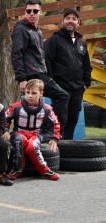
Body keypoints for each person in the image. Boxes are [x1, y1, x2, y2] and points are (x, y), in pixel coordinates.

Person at [11, 0, 69, 137]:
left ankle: (44, 129)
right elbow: (16, 54)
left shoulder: (37, 29)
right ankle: (52, 131)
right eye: (29, 11)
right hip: (31, 74)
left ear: (40, 12)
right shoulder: (21, 29)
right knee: (62, 96)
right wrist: (22, 78)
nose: (32, 14)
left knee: (40, 102)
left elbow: (39, 55)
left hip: (40, 72)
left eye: (35, 11)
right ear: (25, 12)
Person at [44, 8, 92, 140]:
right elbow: (46, 61)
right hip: (61, 88)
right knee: (59, 120)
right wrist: (53, 84)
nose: (70, 21)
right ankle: (55, 148)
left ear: (78, 23)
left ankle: (68, 147)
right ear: (63, 21)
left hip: (78, 88)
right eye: (67, 18)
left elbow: (87, 66)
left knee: (73, 119)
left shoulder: (81, 43)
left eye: (74, 19)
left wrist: (86, 83)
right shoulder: (54, 40)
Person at [4, 79, 60, 181]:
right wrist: (6, 130)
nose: (30, 96)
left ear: (41, 94)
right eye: (27, 92)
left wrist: (54, 138)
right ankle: (17, 169)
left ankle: (44, 170)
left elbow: (55, 123)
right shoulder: (16, 107)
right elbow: (5, 119)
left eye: (34, 93)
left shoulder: (47, 109)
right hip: (18, 133)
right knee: (19, 140)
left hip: (36, 134)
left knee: (32, 146)